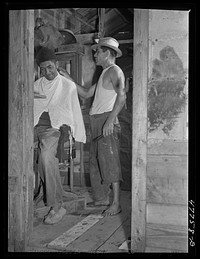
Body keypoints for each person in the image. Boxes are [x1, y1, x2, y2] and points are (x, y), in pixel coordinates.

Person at [60, 37, 126, 216]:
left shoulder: (115, 70)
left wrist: (110, 120)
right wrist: (68, 78)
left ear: (107, 53)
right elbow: (87, 93)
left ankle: (116, 204)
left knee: (110, 162)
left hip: (106, 120)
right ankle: (102, 199)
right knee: (96, 162)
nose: (95, 54)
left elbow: (122, 96)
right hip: (97, 121)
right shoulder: (105, 73)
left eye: (98, 51)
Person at [33, 47, 86, 224]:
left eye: (49, 67)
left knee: (47, 157)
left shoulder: (67, 85)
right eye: (43, 69)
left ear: (56, 64)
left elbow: (72, 112)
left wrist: (72, 131)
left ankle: (57, 205)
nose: (47, 72)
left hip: (54, 129)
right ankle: (47, 191)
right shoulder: (37, 84)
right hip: (33, 127)